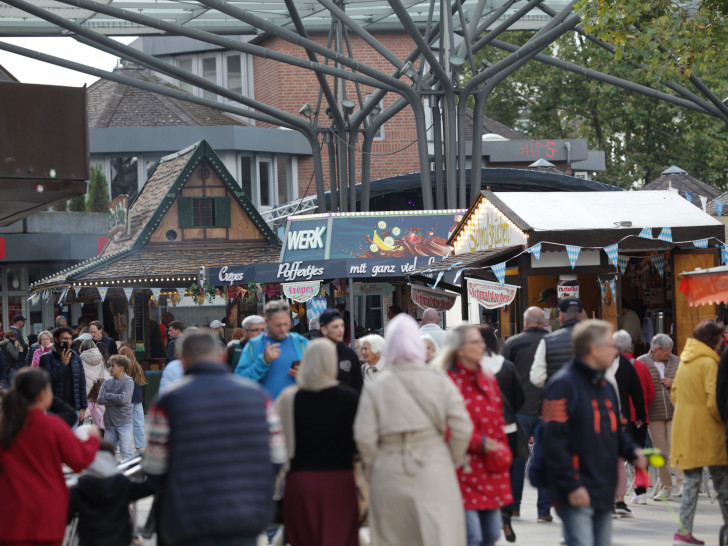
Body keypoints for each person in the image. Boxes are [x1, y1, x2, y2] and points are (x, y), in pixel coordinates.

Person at [143, 328, 286, 546]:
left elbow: (154, 469)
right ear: (221, 356)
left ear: (181, 360)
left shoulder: (168, 402)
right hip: (247, 514)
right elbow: (277, 458)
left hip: (189, 517)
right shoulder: (259, 397)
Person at [354, 314, 473, 546]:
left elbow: (363, 436)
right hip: (435, 465)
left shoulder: (377, 385)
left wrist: (375, 464)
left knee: (393, 536)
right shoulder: (440, 380)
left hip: (389, 469)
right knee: (438, 534)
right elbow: (462, 427)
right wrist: (451, 458)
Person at [541, 320, 646, 546]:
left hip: (601, 487)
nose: (615, 350)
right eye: (609, 345)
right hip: (575, 487)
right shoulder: (562, 385)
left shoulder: (605, 385)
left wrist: (633, 451)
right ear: (593, 349)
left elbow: (613, 430)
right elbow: (553, 441)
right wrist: (572, 485)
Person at [0, 368, 100, 544]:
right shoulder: (53, 426)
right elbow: (79, 460)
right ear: (41, 394)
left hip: (9, 511)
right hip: (47, 512)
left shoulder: (5, 425)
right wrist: (92, 440)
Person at [276, 338, 360, 545]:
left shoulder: (289, 398)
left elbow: (278, 443)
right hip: (342, 481)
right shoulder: (350, 398)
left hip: (300, 482)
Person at [437, 325, 513, 546]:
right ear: (459, 349)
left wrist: (502, 448)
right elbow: (442, 425)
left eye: (482, 341)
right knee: (472, 535)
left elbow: (498, 417)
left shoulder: (487, 377)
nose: (482, 346)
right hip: (458, 468)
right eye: (475, 342)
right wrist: (478, 443)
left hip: (488, 468)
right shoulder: (446, 380)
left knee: (491, 533)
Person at [671, 320, 728, 545]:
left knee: (691, 483)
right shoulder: (708, 363)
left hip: (684, 427)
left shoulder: (686, 360)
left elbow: (674, 393)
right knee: (722, 484)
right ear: (715, 340)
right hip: (707, 431)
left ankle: (683, 532)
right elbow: (715, 401)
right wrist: (721, 421)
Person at [501, 306, 551, 520]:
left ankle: (514, 506)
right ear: (544, 323)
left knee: (518, 459)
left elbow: (504, 375)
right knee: (546, 459)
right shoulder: (554, 341)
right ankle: (544, 510)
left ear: (525, 323)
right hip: (549, 409)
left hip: (520, 410)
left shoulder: (512, 343)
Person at [481, 325, 524, 541]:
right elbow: (520, 398)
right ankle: (507, 515)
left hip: (481, 433)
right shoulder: (507, 366)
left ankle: (487, 514)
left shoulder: (472, 367)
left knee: (483, 472)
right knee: (506, 473)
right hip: (508, 428)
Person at [69, 439, 155, 546]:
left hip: (89, 540)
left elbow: (67, 516)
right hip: (118, 539)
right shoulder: (122, 483)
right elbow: (147, 488)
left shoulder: (80, 487)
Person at [637, 333, 683, 501]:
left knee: (676, 448)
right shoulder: (642, 361)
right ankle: (666, 487)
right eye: (666, 350)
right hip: (654, 413)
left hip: (673, 411)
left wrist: (674, 383)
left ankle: (682, 483)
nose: (669, 353)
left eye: (670, 350)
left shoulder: (675, 360)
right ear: (656, 349)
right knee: (661, 452)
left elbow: (684, 381)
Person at [612, 330, 655, 506]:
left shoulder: (611, 365)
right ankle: (641, 493)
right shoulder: (641, 366)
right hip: (639, 418)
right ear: (630, 346)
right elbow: (649, 392)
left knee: (618, 457)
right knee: (639, 455)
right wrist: (642, 413)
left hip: (618, 416)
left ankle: (619, 496)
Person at [235, 300, 309, 399]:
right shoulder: (254, 346)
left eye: (286, 324)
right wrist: (263, 361)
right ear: (266, 322)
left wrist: (305, 375)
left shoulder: (301, 343)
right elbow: (239, 380)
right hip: (265, 410)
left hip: (299, 409)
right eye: (278, 325)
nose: (283, 329)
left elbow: (321, 376)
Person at [530, 297, 585, 389]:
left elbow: (537, 378)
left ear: (561, 316)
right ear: (582, 315)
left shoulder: (547, 341)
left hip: (559, 396)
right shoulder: (597, 339)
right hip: (587, 399)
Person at [40, 325, 88, 425]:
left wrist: (83, 407)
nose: (68, 341)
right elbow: (47, 380)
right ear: (56, 339)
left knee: (72, 439)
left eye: (70, 339)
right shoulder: (46, 358)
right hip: (55, 408)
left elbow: (81, 384)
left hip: (74, 408)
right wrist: (62, 364)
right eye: (64, 338)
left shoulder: (76, 358)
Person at [98, 354, 134, 461]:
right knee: (107, 454)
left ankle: (128, 475)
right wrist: (116, 399)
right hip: (109, 423)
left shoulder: (128, 382)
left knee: (126, 452)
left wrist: (109, 396)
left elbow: (123, 399)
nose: (110, 368)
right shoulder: (107, 382)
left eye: (113, 366)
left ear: (121, 368)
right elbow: (100, 400)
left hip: (124, 422)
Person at [318, 308, 363, 393]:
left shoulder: (349, 354)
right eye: (335, 326)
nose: (340, 330)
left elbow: (358, 386)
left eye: (342, 325)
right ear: (324, 330)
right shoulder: (313, 352)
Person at [120, 346, 146, 455]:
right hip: (137, 399)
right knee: (138, 424)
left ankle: (123, 446)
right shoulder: (137, 367)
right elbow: (142, 383)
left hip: (125, 399)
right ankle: (140, 446)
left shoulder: (121, 368)